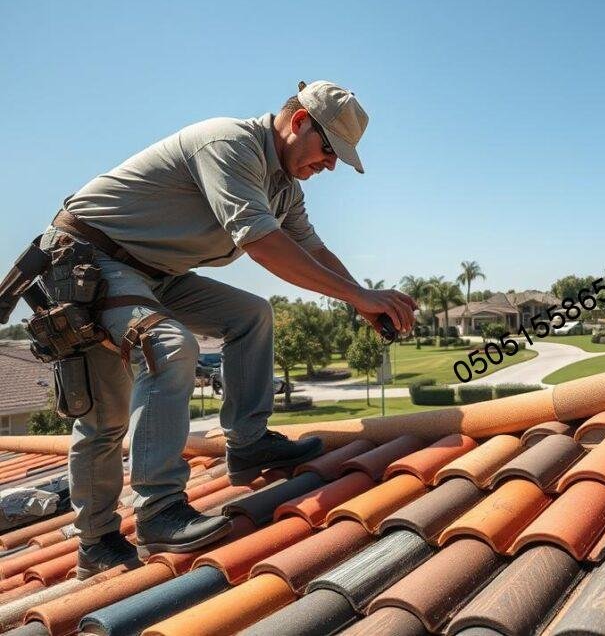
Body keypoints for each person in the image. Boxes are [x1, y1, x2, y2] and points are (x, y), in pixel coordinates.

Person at [36, 80, 416, 578]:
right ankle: (141, 519)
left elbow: (312, 251)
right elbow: (263, 246)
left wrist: (363, 301)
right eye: (328, 150)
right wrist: (360, 297)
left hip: (154, 273)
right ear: (299, 121)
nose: (328, 165)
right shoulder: (229, 144)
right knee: (161, 352)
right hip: (89, 258)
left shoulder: (285, 188)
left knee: (252, 315)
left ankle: (248, 444)